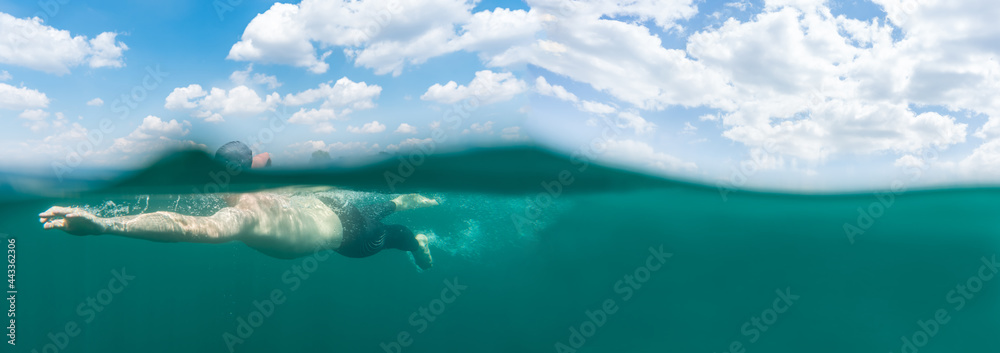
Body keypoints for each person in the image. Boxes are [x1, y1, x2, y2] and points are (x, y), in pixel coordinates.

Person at [38, 191, 439, 270]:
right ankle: (401, 200)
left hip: (350, 238)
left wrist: (106, 225)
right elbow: (191, 223)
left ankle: (416, 241)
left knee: (398, 235)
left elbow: (197, 229)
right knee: (382, 208)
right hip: (335, 208)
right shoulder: (256, 201)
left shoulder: (246, 212)